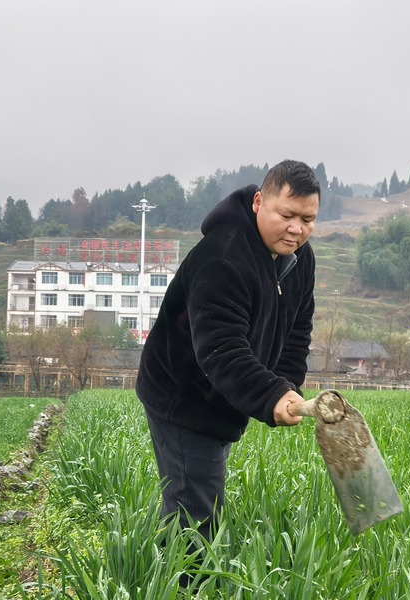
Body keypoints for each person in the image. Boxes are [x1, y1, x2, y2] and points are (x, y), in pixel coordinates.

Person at [135, 159, 320, 540]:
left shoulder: (300, 260)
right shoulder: (224, 257)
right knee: (196, 518)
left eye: (307, 219)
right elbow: (220, 349)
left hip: (225, 396)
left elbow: (297, 331)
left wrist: (285, 385)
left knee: (196, 495)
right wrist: (270, 395)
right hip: (183, 395)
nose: (296, 229)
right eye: (286, 214)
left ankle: (165, 568)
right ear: (258, 202)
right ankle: (186, 586)